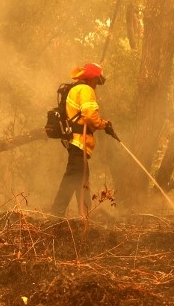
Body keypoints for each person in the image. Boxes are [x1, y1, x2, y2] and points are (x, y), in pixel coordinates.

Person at [50, 62, 117, 217]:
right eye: (97, 81)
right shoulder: (85, 89)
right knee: (73, 177)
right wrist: (103, 124)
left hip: (77, 142)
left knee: (82, 180)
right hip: (79, 141)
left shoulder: (76, 88)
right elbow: (89, 116)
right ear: (93, 78)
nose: (96, 85)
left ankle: (85, 215)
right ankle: (56, 214)